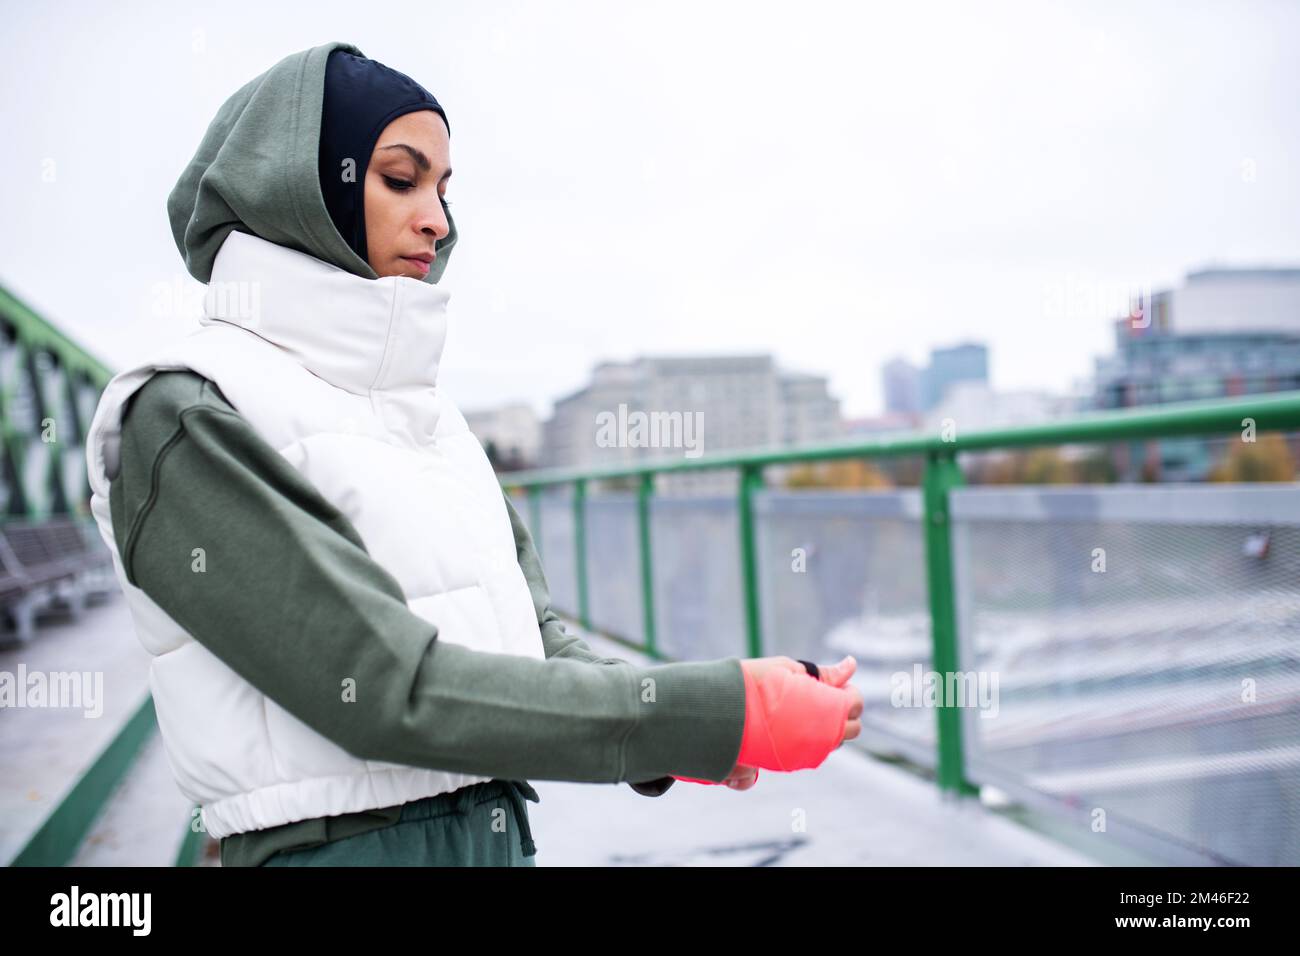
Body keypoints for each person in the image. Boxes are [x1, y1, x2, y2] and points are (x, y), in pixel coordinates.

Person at [83, 41, 862, 867]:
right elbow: (383, 691)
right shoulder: (184, 413)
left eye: (444, 190)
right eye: (399, 178)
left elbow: (532, 635)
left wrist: (688, 733)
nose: (438, 219)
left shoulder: (430, 416)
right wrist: (695, 712)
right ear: (301, 188)